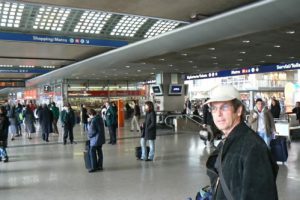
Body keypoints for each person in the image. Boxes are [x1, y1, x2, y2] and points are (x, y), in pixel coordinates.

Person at [205, 85, 278, 199]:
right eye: (214, 108)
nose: (218, 114)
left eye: (224, 107)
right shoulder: (226, 142)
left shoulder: (254, 148)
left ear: (239, 110)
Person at [87, 109, 105, 173]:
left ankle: (94, 167)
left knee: (92, 151)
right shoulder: (99, 118)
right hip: (101, 138)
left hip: (95, 139)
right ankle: (100, 166)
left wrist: (89, 122)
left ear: (91, 114)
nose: (89, 117)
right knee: (99, 151)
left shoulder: (94, 120)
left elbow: (92, 131)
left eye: (89, 115)